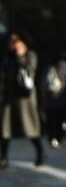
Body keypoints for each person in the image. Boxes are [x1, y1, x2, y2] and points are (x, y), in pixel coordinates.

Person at [2, 31, 47, 169]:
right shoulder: (6, 57)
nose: (13, 43)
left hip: (24, 97)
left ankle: (40, 152)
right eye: (11, 40)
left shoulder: (30, 55)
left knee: (30, 126)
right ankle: (3, 157)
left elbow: (30, 70)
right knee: (5, 127)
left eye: (16, 40)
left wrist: (20, 56)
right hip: (9, 96)